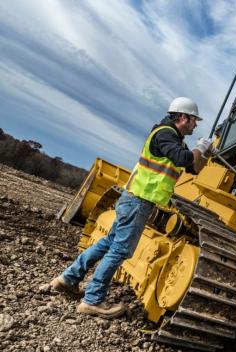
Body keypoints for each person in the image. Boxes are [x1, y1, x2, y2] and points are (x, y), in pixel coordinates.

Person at [50, 97, 214, 318]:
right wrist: (199, 148)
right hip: (139, 200)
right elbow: (183, 158)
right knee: (121, 250)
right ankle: (92, 300)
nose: (196, 125)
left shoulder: (174, 139)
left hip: (136, 199)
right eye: (194, 120)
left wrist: (204, 153)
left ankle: (67, 279)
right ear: (183, 117)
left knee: (110, 242)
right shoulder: (165, 133)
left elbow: (192, 167)